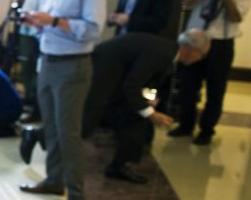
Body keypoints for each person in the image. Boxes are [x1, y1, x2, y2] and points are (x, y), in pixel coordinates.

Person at [18, 0, 106, 200]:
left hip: (73, 66)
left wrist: (53, 21)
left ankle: (77, 198)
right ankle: (55, 179)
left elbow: (93, 30)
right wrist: (37, 22)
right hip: (48, 61)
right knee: (53, 129)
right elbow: (51, 25)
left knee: (68, 133)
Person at [82, 30, 209, 182]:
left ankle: (118, 166)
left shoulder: (168, 51)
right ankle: (50, 140)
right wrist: (151, 113)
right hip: (101, 77)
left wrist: (150, 101)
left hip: (114, 79)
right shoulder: (163, 54)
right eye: (202, 55)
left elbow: (147, 80)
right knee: (87, 122)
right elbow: (132, 85)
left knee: (136, 117)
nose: (201, 59)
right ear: (191, 51)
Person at [168, 0, 251, 145]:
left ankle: (207, 129)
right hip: (195, 40)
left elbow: (236, 18)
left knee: (216, 88)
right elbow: (186, 3)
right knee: (188, 85)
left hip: (221, 43)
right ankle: (185, 125)